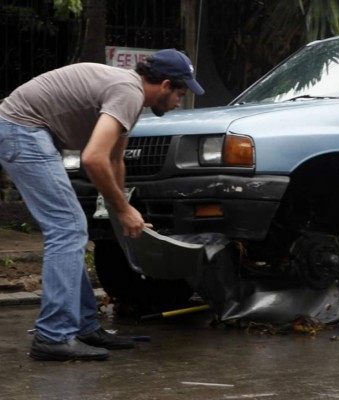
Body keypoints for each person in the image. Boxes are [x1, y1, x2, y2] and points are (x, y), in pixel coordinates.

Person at [0, 49, 205, 361]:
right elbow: (93, 157)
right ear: (164, 85)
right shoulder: (128, 93)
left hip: (29, 130)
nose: (180, 101)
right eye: (180, 92)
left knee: (70, 229)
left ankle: (83, 326)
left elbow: (114, 158)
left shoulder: (132, 97)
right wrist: (123, 209)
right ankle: (53, 336)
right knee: (67, 229)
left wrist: (117, 209)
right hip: (21, 129)